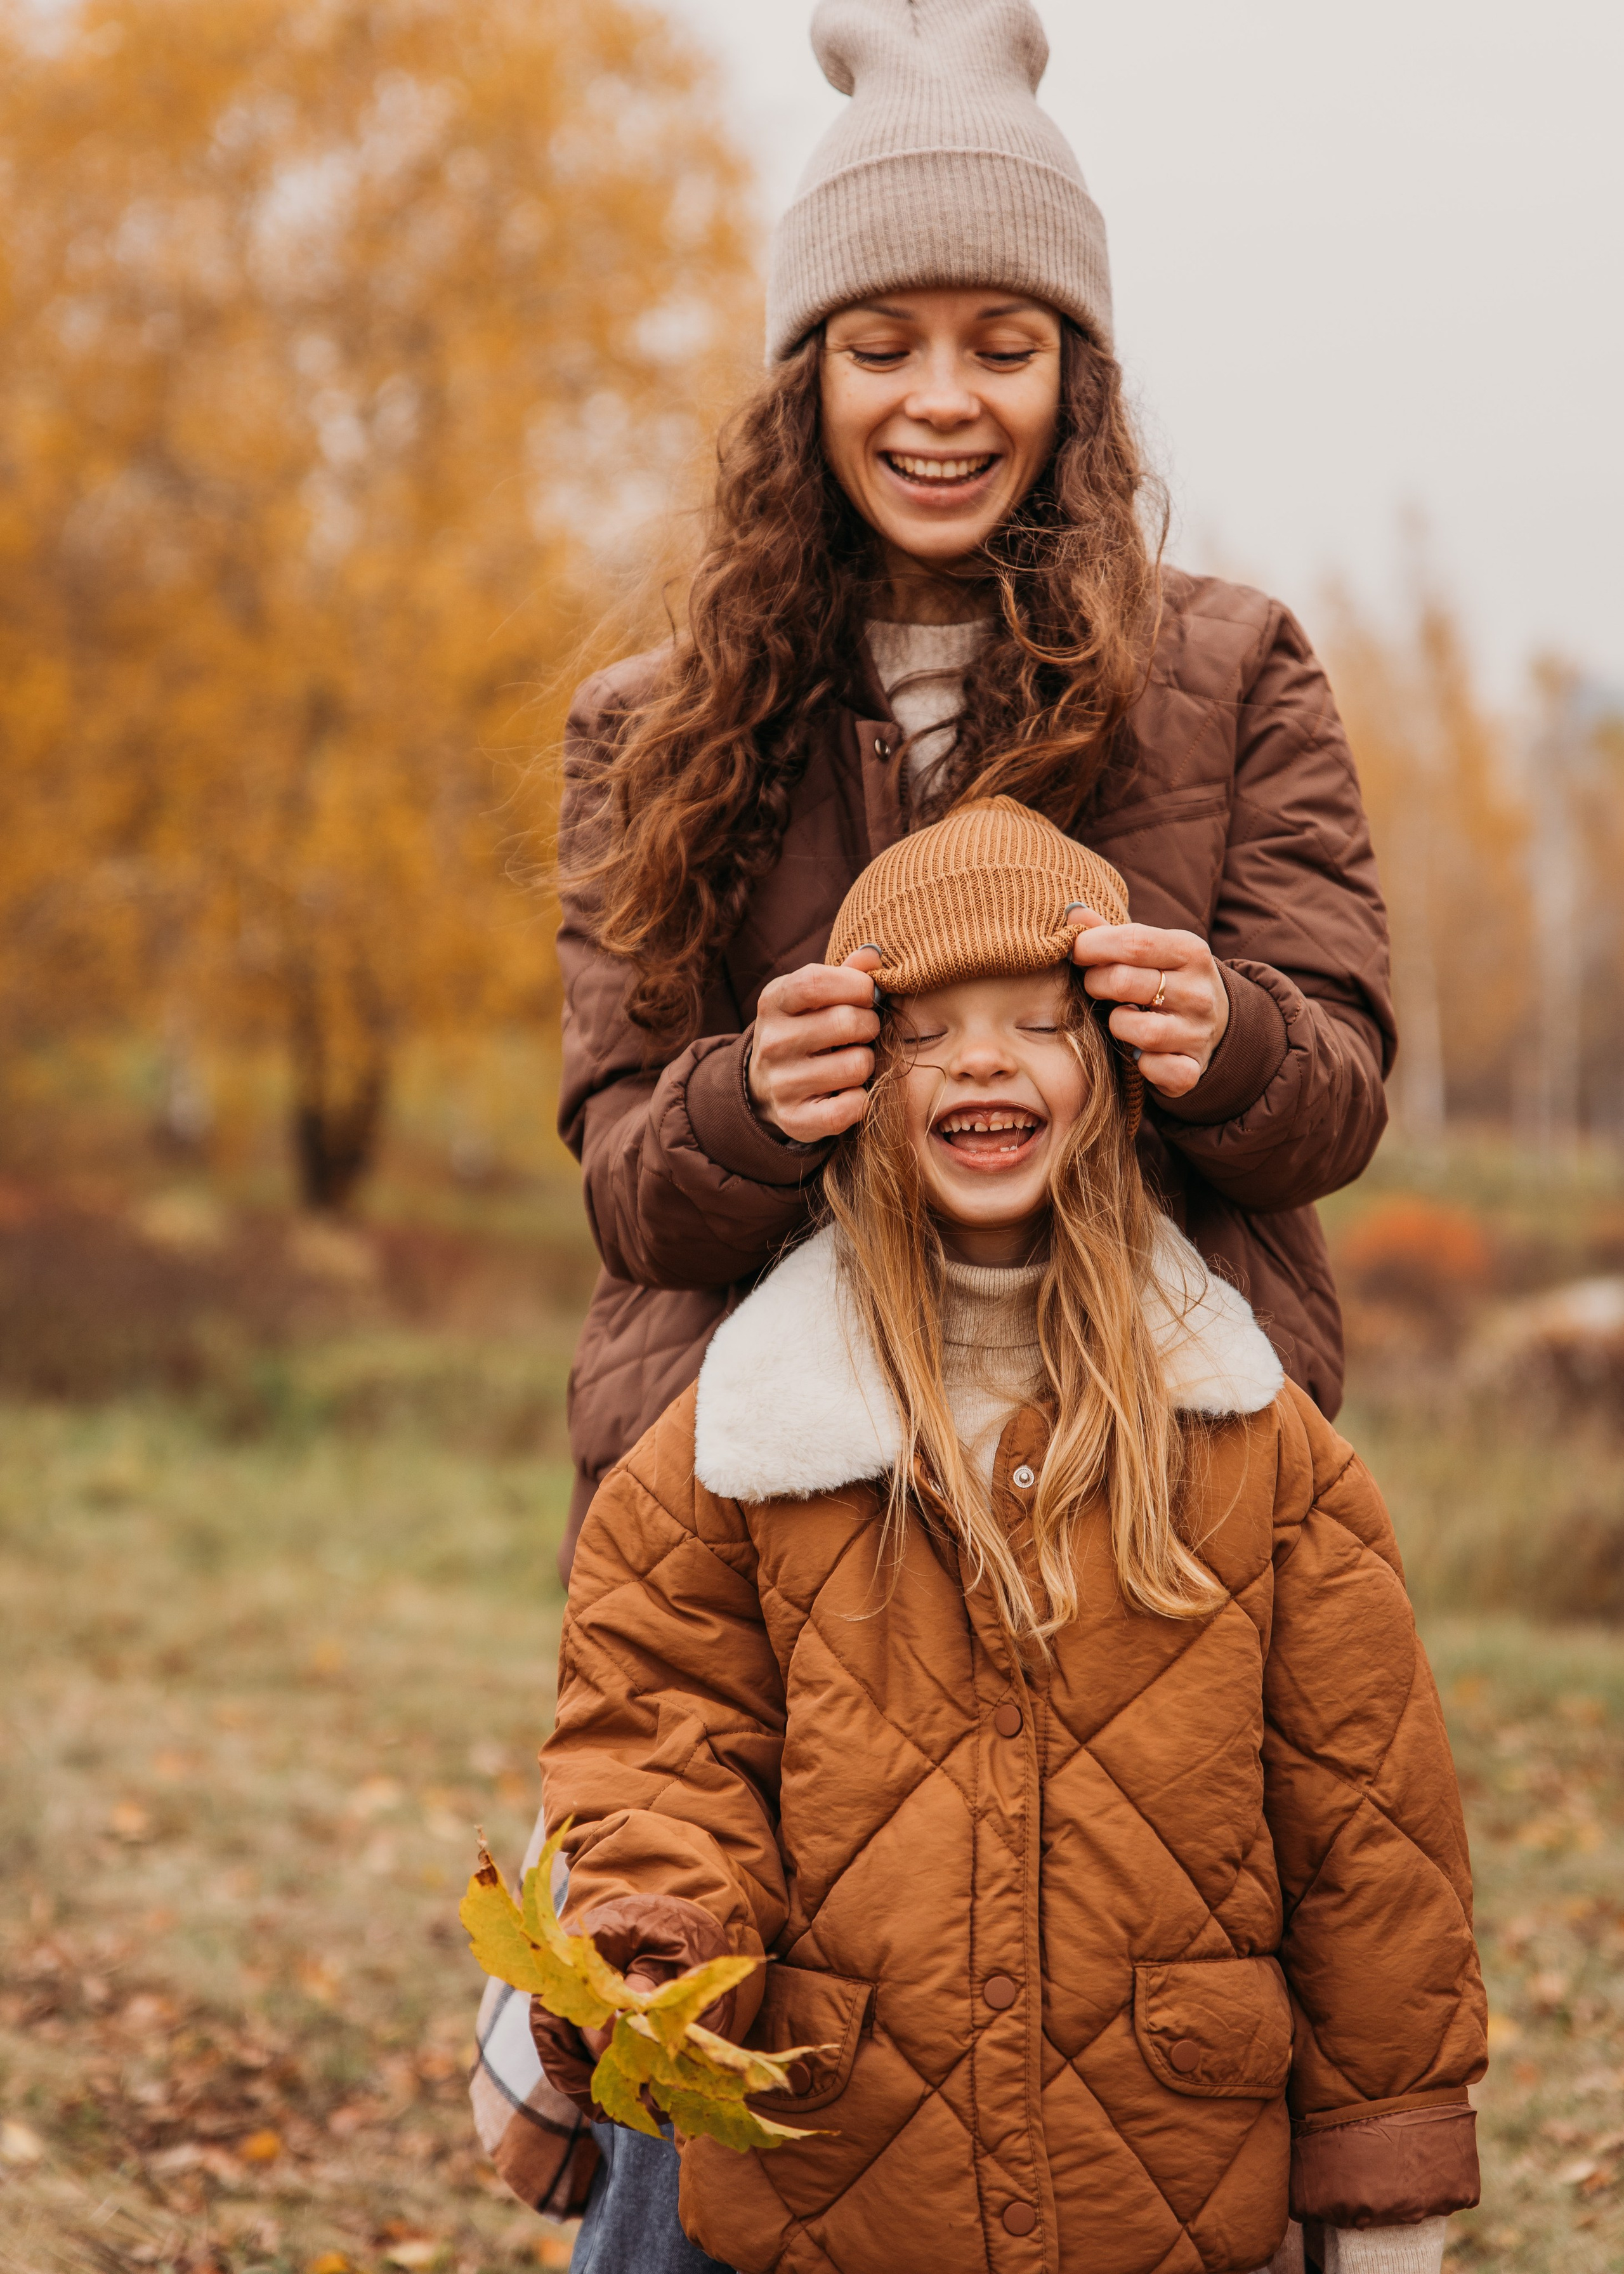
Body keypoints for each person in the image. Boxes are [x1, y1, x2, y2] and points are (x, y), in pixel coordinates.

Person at [536, 800, 1486, 2274]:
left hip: (1165, 2190)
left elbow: (1367, 1839)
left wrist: (1387, 2192)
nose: (982, 1059)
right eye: (924, 1033)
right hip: (843, 2186)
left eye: (1039, 1023)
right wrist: (657, 1929)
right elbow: (659, 1742)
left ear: (1112, 1077)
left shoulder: (1253, 1439)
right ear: (856, 1081)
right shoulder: (739, 1440)